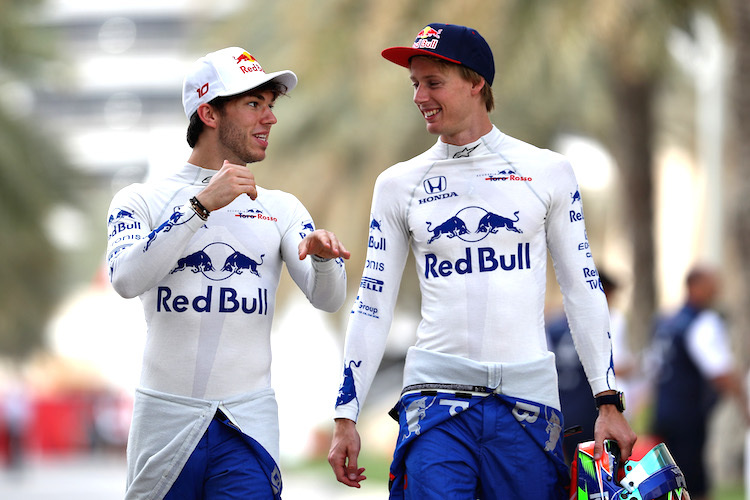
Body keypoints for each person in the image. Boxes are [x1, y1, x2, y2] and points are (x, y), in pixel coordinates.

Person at [327, 23, 636, 499]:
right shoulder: (397, 184)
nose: (419, 97)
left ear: (476, 84)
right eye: (415, 84)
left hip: (527, 401)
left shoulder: (547, 171)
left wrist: (608, 400)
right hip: (435, 402)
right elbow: (372, 303)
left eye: (433, 82)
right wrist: (346, 414)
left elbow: (582, 289)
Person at [106, 46, 350, 500]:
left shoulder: (280, 207)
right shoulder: (140, 200)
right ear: (209, 113)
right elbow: (125, 279)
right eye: (253, 104)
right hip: (165, 424)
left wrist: (322, 258)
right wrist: (199, 207)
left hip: (247, 425)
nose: (270, 119)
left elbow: (328, 298)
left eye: (271, 106)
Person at [651, 265, 747, 500]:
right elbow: (719, 371)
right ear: (695, 286)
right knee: (692, 484)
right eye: (712, 286)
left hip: (663, 412)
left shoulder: (666, 321)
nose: (716, 292)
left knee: (665, 481)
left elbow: (652, 368)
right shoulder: (703, 322)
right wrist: (744, 403)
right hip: (688, 414)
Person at [547, 270, 636, 464]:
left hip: (562, 410)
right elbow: (616, 367)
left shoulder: (554, 325)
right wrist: (635, 368)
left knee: (568, 470)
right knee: (597, 474)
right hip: (594, 412)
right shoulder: (609, 319)